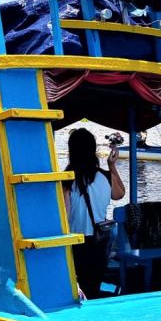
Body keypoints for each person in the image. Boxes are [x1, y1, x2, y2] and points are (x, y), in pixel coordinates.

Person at [62, 128, 125, 299]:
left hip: (77, 241)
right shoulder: (104, 176)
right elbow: (119, 194)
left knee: (78, 287)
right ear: (93, 150)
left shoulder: (67, 180)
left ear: (71, 151)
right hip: (101, 240)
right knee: (93, 285)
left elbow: (64, 217)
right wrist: (112, 166)